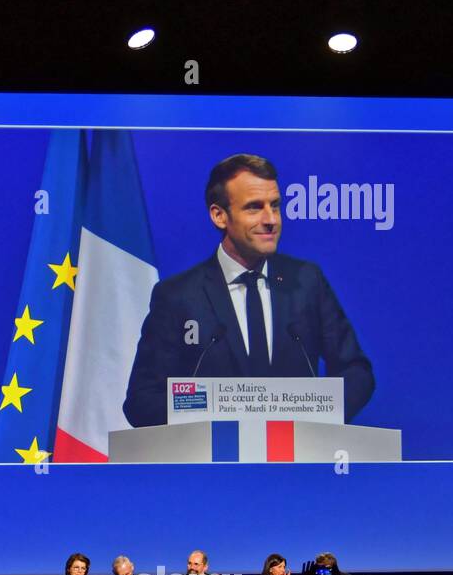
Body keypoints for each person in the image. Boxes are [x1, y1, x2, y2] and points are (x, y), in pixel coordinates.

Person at [122, 154, 375, 428]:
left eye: (275, 206)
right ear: (219, 216)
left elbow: (357, 372)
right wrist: (215, 413)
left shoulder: (306, 281)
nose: (271, 220)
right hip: (214, 463)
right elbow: (142, 401)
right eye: (254, 207)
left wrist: (316, 418)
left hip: (296, 460)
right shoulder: (178, 296)